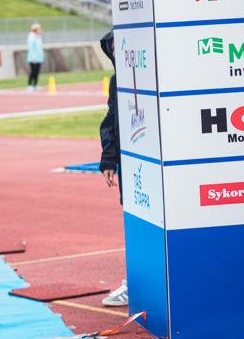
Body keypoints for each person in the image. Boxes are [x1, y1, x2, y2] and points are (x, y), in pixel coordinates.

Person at [98, 30, 128, 307]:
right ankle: (135, 281)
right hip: (131, 163)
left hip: (158, 164)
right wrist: (108, 159)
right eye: (112, 48)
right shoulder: (117, 81)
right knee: (133, 221)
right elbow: (112, 118)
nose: (117, 51)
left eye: (121, 45)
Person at [26, 23, 44, 90]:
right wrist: (33, 58)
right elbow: (31, 48)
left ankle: (35, 85)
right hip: (33, 58)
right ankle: (29, 85)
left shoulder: (38, 37)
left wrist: (41, 56)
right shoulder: (31, 37)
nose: (40, 30)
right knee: (33, 71)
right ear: (35, 30)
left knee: (37, 72)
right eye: (39, 29)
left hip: (39, 57)